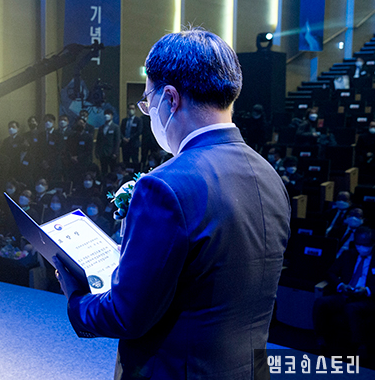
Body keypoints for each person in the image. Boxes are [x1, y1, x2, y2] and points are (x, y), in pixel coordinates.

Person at [53, 28, 290, 379]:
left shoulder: (165, 186)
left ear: (170, 98)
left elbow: (126, 315)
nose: (148, 113)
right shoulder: (269, 176)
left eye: (147, 102)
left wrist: (75, 297)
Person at [313, 227, 375, 358]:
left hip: (367, 299)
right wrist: (341, 285)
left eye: (366, 245)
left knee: (351, 308)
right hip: (346, 293)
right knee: (321, 302)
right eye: (359, 244)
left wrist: (367, 290)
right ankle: (320, 339)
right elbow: (330, 273)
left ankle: (360, 346)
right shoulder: (348, 255)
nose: (362, 247)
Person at [95, 109, 121, 175]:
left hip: (111, 153)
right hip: (102, 153)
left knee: (113, 170)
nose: (106, 116)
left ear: (112, 116)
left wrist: (115, 152)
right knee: (103, 170)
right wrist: (97, 152)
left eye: (108, 114)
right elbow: (98, 141)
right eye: (105, 114)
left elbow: (117, 141)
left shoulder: (115, 127)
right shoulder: (101, 128)